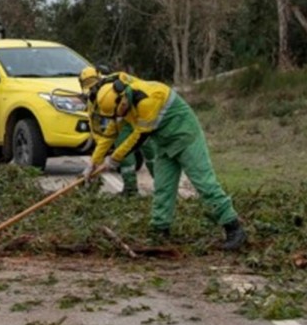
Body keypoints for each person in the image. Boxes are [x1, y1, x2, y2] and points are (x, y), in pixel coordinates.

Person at [87, 74, 247, 250]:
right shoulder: (121, 103)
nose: (119, 116)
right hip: (164, 143)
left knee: (204, 184)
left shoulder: (147, 100)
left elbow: (139, 137)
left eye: (119, 111)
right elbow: (110, 133)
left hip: (185, 136)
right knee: (163, 187)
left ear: (122, 99)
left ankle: (233, 227)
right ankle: (160, 230)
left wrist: (114, 159)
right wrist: (94, 162)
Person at [79, 67, 140, 196]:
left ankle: (161, 188)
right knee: (124, 153)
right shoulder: (93, 103)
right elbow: (97, 131)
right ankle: (131, 189)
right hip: (122, 121)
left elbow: (141, 87)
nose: (94, 90)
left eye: (94, 86)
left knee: (151, 153)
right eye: (90, 88)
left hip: (140, 114)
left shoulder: (119, 79)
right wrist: (95, 160)